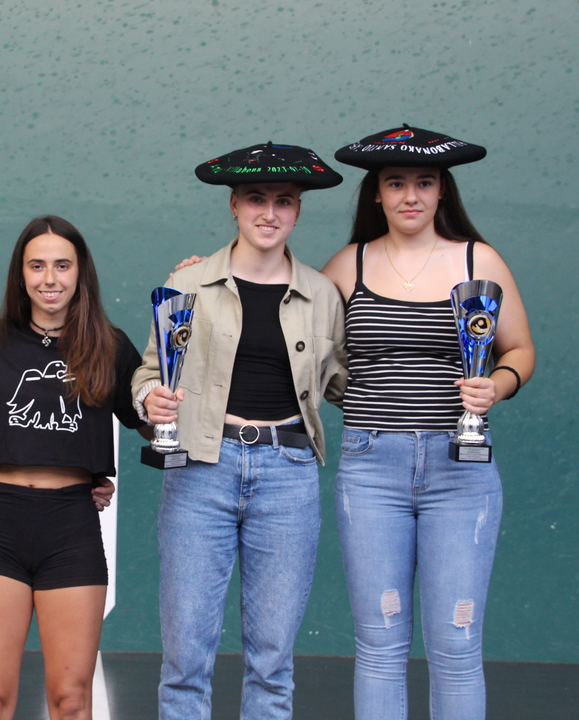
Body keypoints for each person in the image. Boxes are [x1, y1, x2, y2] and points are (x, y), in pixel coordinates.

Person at [322, 125, 535, 720]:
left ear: (443, 191)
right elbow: (286, 325)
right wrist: (200, 274)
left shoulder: (478, 260)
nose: (410, 195)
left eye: (425, 182)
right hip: (371, 470)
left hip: (460, 472)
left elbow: (520, 350)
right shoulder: (346, 265)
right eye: (396, 183)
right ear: (376, 193)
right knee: (379, 646)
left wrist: (496, 385)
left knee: (457, 646)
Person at [132, 143, 349, 720]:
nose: (269, 213)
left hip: (288, 474)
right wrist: (149, 398)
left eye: (284, 201)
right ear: (234, 205)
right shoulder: (187, 282)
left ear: (298, 210)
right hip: (202, 470)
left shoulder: (323, 295)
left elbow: (346, 386)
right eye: (256, 199)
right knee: (185, 659)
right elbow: (150, 373)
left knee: (272, 662)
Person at [0, 215, 149, 720]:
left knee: (70, 700)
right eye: (37, 265)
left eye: (62, 265)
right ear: (20, 273)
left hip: (71, 527)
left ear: (81, 271)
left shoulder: (110, 344)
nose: (50, 278)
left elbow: (150, 425)